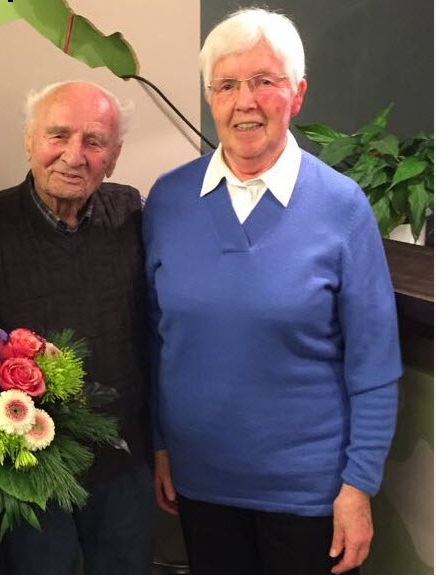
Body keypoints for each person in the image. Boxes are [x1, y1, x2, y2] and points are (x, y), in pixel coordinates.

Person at [143, 8, 401, 575]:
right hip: (201, 483)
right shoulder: (167, 201)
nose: (246, 102)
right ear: (211, 96)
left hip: (310, 495)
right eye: (228, 84)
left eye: (265, 81)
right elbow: (159, 338)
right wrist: (162, 443)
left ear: (298, 93)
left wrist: (358, 486)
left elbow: (374, 366)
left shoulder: (342, 207)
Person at [0, 80, 154, 575]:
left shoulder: (133, 212)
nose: (73, 156)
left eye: (94, 141)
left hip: (123, 462)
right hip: (26, 471)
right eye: (57, 136)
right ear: (28, 141)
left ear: (115, 155)